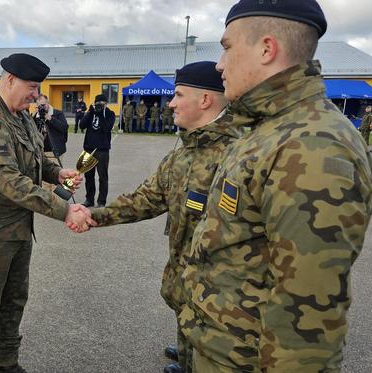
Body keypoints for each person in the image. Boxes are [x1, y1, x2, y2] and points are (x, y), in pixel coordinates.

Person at [177, 1, 372, 372]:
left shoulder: (312, 146)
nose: (219, 64)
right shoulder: (271, 128)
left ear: (267, 49)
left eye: (228, 47)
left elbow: (306, 322)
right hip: (223, 351)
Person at [69, 61, 237, 373]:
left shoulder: (238, 153)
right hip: (187, 274)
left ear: (205, 100)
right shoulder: (184, 152)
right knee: (185, 311)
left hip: (220, 291)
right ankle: (187, 358)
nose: (171, 102)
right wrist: (95, 215)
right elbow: (146, 199)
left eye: (178, 95)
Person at [0, 53, 89, 373]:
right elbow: (10, 180)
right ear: (9, 80)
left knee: (12, 304)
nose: (36, 95)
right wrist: (65, 210)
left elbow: (38, 156)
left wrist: (58, 173)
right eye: (32, 87)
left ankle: (7, 365)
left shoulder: (21, 116)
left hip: (16, 232)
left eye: (38, 88)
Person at [79, 94, 115, 207]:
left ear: (106, 104)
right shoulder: (91, 113)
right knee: (88, 177)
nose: (99, 106)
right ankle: (89, 199)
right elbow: (82, 125)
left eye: (102, 104)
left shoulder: (110, 114)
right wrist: (89, 113)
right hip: (88, 149)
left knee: (102, 177)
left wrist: (101, 114)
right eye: (97, 104)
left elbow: (107, 128)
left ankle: (101, 201)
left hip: (102, 150)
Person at [33, 93, 69, 164]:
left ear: (48, 103)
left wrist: (50, 118)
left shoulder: (58, 114)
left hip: (54, 152)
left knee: (55, 173)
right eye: (40, 105)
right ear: (37, 106)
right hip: (40, 152)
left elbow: (64, 128)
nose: (43, 107)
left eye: (44, 104)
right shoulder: (35, 117)